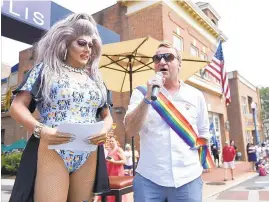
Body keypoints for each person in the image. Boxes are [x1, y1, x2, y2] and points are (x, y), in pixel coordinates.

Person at [9, 13, 113, 202]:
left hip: (88, 150)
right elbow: (17, 107)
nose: (87, 49)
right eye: (81, 43)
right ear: (65, 42)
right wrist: (41, 130)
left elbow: (107, 115)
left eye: (91, 45)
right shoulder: (45, 70)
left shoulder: (96, 79)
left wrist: (104, 130)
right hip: (53, 147)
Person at [124, 41, 212, 202]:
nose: (162, 62)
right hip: (149, 180)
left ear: (179, 64)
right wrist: (147, 99)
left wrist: (200, 163)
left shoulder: (196, 95)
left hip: (188, 178)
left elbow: (204, 134)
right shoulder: (141, 93)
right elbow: (129, 130)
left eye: (168, 57)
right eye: (157, 59)